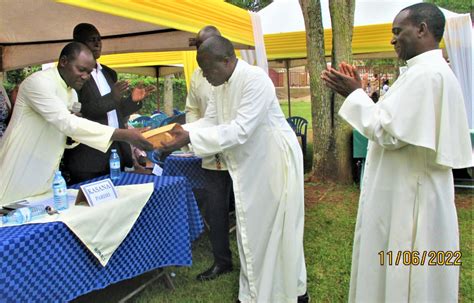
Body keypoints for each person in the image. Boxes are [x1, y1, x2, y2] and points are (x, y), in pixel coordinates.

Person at [321, 3, 472, 302]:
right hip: (410, 189)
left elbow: (388, 131)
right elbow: (395, 119)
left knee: (406, 271)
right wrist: (362, 93)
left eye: (397, 31)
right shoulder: (423, 72)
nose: (392, 40)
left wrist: (354, 94)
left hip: (410, 198)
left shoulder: (427, 75)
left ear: (422, 29)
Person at [161, 36, 308, 303]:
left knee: (276, 229)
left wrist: (190, 139)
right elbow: (212, 120)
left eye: (208, 70)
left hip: (274, 162)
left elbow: (240, 130)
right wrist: (185, 130)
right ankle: (254, 293)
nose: (205, 78)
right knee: (251, 228)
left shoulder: (255, 80)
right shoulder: (221, 83)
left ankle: (288, 292)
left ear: (227, 60)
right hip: (252, 163)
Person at [0, 42, 153, 205]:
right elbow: (67, 122)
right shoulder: (38, 83)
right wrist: (123, 135)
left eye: (89, 72)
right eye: (81, 70)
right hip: (19, 168)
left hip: (46, 175)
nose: (85, 76)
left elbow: (70, 131)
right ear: (64, 61)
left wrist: (71, 137)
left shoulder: (71, 92)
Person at [63, 23, 155, 184]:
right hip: (89, 157)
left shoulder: (109, 73)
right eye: (92, 40)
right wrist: (112, 97)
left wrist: (132, 102)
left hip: (116, 152)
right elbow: (80, 114)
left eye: (99, 39)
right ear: (79, 43)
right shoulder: (74, 74)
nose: (98, 44)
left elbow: (115, 113)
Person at [184, 25, 235, 282]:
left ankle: (254, 255)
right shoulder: (197, 76)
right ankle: (221, 260)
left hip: (237, 149)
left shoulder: (239, 75)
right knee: (215, 207)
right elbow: (192, 109)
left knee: (245, 204)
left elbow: (240, 125)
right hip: (210, 149)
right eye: (198, 46)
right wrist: (193, 134)